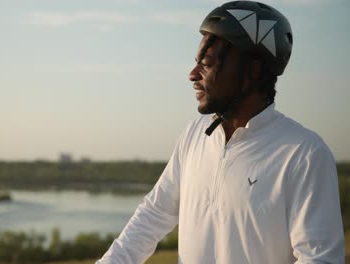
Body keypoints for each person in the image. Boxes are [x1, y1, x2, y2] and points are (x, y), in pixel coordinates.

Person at [96, 1, 345, 263]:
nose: (193, 74)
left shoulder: (304, 154)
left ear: (253, 70)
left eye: (208, 63)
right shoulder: (194, 135)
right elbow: (154, 214)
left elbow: (320, 259)